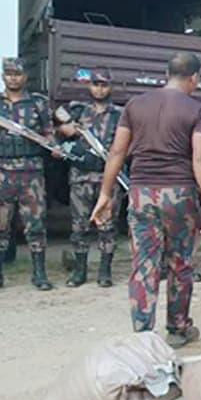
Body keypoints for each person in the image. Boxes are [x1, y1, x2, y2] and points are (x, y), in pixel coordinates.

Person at [91, 52, 201, 348]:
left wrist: (105, 193)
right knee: (180, 262)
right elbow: (200, 158)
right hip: (180, 193)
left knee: (144, 262)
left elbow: (117, 152)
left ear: (167, 73)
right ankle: (177, 328)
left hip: (141, 192)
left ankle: (143, 334)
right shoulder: (198, 110)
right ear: (194, 78)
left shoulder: (135, 105)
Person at [0, 57, 60, 294]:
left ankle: (39, 275)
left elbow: (49, 134)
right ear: (3, 76)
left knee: (36, 225)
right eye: (9, 74)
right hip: (0, 173)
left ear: (25, 76)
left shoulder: (38, 104)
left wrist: (53, 146)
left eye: (17, 74)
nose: (13, 78)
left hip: (31, 174)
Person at [56, 69, 123, 288]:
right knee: (79, 226)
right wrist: (65, 130)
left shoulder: (120, 115)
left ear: (110, 87)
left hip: (108, 177)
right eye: (96, 84)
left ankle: (105, 271)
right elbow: (56, 126)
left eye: (104, 85)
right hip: (81, 176)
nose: (100, 89)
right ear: (90, 86)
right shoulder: (77, 111)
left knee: (107, 226)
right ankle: (80, 271)